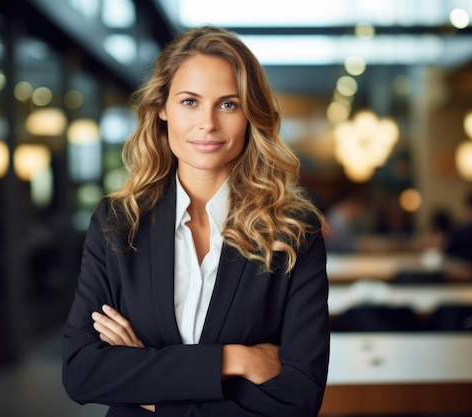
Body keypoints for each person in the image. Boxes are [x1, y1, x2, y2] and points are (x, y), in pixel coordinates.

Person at [62, 26, 330, 416]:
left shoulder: (294, 230)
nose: (207, 123)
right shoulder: (118, 222)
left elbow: (299, 397)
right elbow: (82, 371)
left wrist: (149, 385)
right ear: (162, 108)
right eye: (189, 102)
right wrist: (235, 360)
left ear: (250, 115)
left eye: (228, 104)